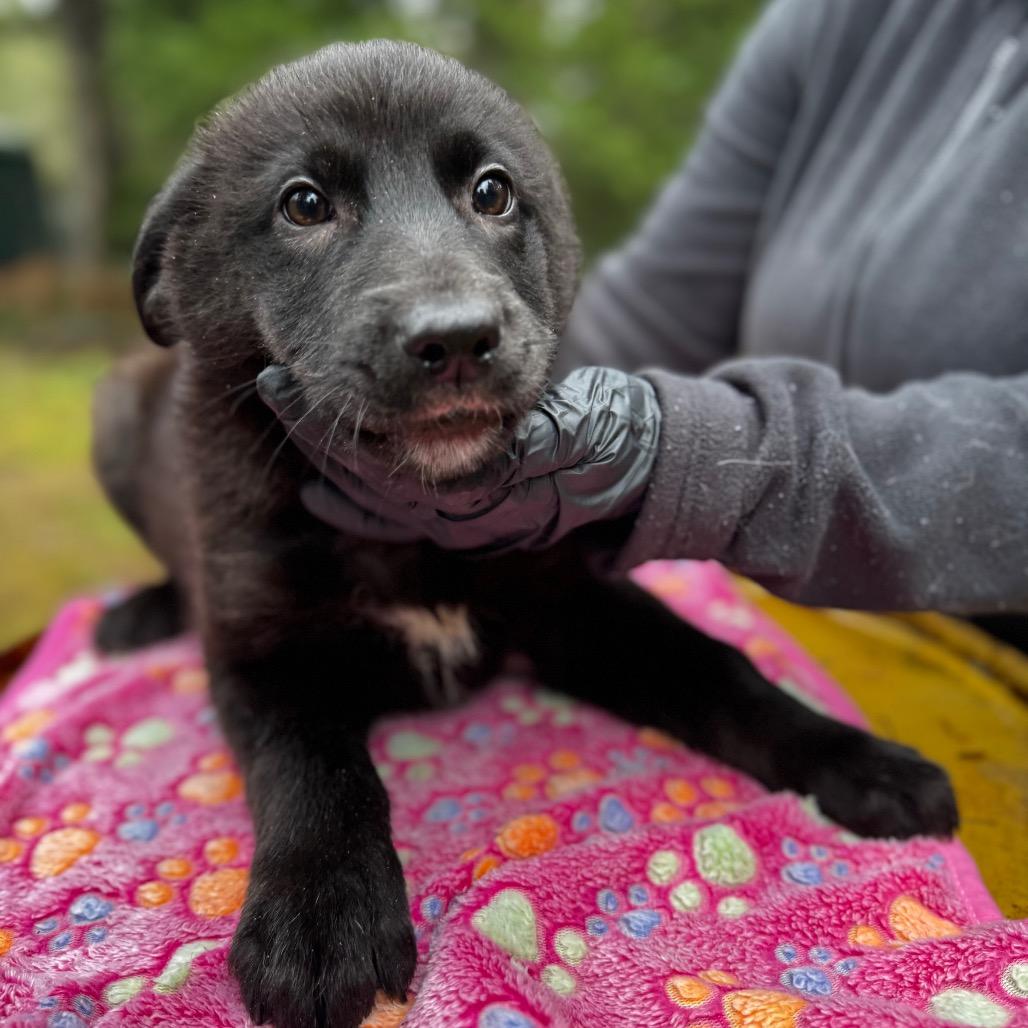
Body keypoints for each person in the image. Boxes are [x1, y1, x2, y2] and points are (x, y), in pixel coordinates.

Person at [259, 0, 1028, 617]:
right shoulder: (843, 15)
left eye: (490, 195)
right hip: (798, 608)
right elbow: (655, 313)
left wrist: (681, 458)